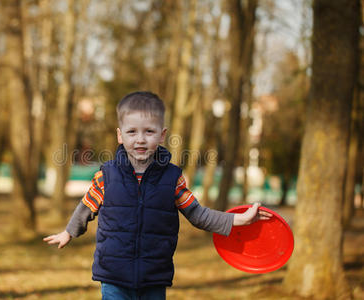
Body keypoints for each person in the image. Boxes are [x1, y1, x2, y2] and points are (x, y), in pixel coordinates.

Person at [44, 91, 272, 300]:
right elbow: (86, 207)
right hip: (114, 275)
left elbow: (198, 214)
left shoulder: (173, 179)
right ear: (120, 135)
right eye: (132, 131)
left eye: (149, 131)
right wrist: (69, 232)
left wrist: (239, 219)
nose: (140, 139)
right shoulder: (106, 176)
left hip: (154, 276)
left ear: (162, 135)